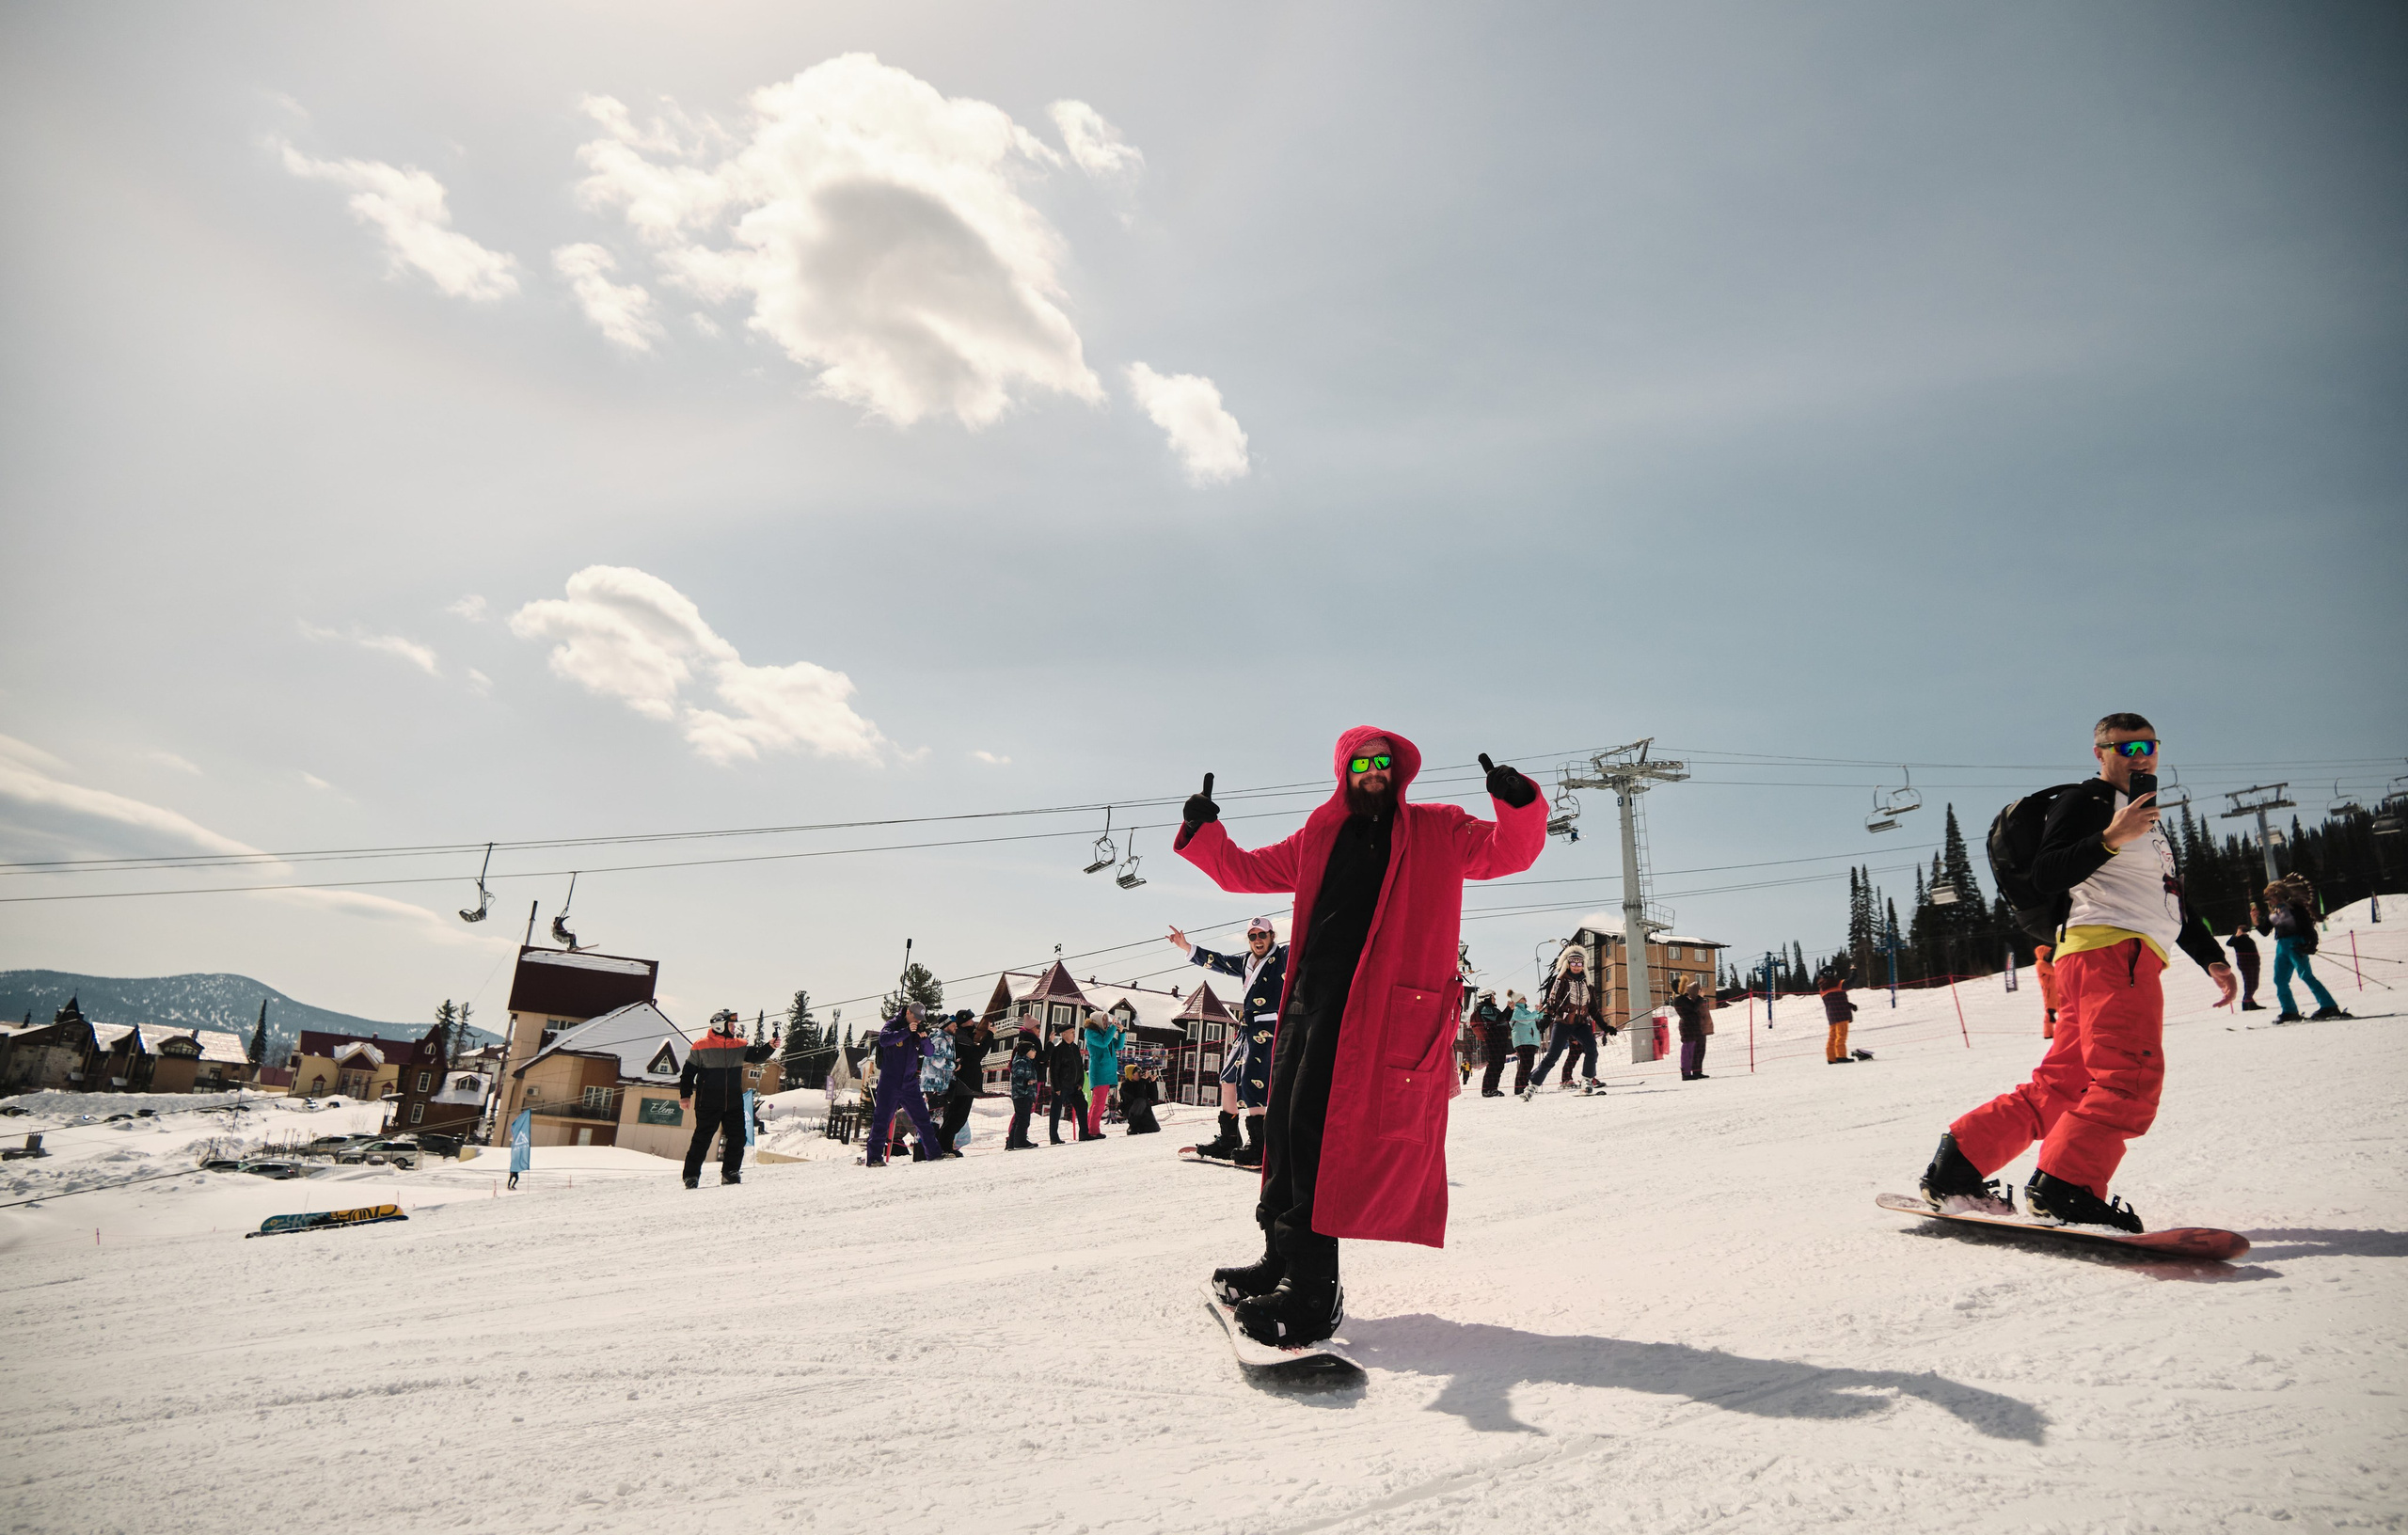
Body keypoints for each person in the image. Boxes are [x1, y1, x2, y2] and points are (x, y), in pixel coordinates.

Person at [1178, 730, 1545, 1346]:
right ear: (1344, 772)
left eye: (1383, 763)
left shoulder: (1439, 829)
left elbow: (1511, 851)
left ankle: (1313, 1293)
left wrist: (1517, 800)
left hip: (1374, 1012)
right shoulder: (1318, 835)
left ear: (1397, 772)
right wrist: (1205, 831)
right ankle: (1279, 1259)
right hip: (1306, 999)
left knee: (1319, 1138)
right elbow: (1244, 871)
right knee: (1284, 1129)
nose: (1373, 772)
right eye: (1362, 764)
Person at [1919, 714, 2237, 1231]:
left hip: (2102, 954)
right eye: (2126, 748)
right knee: (2128, 1076)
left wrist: (2210, 956)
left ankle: (1960, 1165)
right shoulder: (2087, 801)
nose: (2140, 757)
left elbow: (2167, 896)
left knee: (2066, 1080)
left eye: (2149, 746)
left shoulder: (2144, 816)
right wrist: (2110, 837)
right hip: (2113, 952)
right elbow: (2048, 873)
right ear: (2100, 753)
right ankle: (2067, 1187)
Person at [1169, 915, 1284, 1165]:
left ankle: (1260, 1145)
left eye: (1262, 935)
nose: (1257, 940)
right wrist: (1187, 947)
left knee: (1253, 1078)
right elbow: (1219, 961)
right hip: (1247, 1026)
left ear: (1271, 936)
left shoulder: (1283, 956)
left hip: (1267, 1026)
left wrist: (1304, 911)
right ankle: (1228, 1140)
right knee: (1228, 1077)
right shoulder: (1245, 961)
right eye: (1253, 936)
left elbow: (1303, 942)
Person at [678, 1008, 780, 1189]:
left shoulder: (739, 1045)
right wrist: (685, 1096)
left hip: (733, 1101)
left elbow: (756, 1056)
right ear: (719, 1026)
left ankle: (730, 1172)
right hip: (708, 1102)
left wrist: (770, 1046)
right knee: (702, 1139)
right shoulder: (701, 1046)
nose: (733, 1027)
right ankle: (691, 1176)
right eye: (731, 1024)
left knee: (738, 1137)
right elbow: (688, 1073)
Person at [2258, 878, 2348, 1021]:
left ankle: (2329, 1006)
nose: (2269, 900)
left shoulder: (2295, 908)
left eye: (2270, 896)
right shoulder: (2274, 912)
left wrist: (2311, 944)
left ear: (2278, 894)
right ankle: (2289, 1010)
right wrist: (2256, 921)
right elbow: (2264, 931)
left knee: (2306, 975)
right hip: (2281, 946)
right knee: (2279, 979)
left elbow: (2307, 926)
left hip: (2296, 943)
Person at [1522, 946, 1608, 1099]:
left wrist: (1605, 1025)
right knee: (1553, 1056)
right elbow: (1553, 1000)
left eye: (1579, 963)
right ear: (1568, 964)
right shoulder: (1561, 980)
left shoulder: (1588, 983)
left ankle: (1587, 1080)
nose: (1576, 966)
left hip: (1581, 1023)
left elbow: (1593, 1008)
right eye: (1573, 963)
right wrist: (1547, 1017)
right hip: (1563, 1022)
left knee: (1592, 1049)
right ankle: (1532, 1085)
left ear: (1583, 965)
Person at [864, 1004, 942, 1168]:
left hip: (910, 1083)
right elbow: (884, 1040)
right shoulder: (893, 1024)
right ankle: (874, 1158)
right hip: (889, 1082)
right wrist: (906, 1031)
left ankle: (934, 1154)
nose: (917, 1021)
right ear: (908, 1012)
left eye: (920, 1019)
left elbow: (929, 1052)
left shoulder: (917, 1030)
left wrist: (924, 1038)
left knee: (922, 1119)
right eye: (915, 1018)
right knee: (882, 1120)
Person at [937, 1009, 992, 1157]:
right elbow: (977, 1054)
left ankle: (944, 1146)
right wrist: (990, 1035)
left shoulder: (964, 1036)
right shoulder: (961, 1037)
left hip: (964, 1083)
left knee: (955, 1117)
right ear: (964, 1022)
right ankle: (944, 1148)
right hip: (963, 1084)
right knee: (957, 1117)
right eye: (970, 1019)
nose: (973, 1022)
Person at [1045, 1021, 1093, 1145]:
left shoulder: (1075, 1048)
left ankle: (1084, 1134)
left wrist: (1081, 1083)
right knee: (1056, 1111)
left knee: (1082, 1106)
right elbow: (1053, 1070)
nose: (1074, 1034)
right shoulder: (1058, 1050)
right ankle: (1054, 1137)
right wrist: (1056, 1087)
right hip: (1062, 1086)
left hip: (1075, 1086)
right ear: (1064, 1034)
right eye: (1071, 1032)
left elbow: (1080, 1066)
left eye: (1074, 1032)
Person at [1082, 1014, 1125, 1137]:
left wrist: (1121, 1032)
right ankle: (1093, 1131)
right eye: (1104, 1020)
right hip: (1100, 1071)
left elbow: (1119, 1046)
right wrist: (1112, 1028)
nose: (1106, 1022)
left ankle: (1090, 1129)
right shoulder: (1091, 1033)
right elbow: (1103, 1043)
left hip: (1106, 1072)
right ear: (1097, 1021)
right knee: (1098, 1104)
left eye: (1107, 1020)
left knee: (1098, 1103)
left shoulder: (1104, 1033)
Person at [1005, 1022, 1043, 1149]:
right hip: (1022, 1094)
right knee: (1023, 1119)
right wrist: (1027, 1082)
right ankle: (1020, 1141)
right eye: (1032, 1050)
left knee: (1019, 1118)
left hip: (1026, 1094)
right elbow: (1017, 1077)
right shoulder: (1021, 1061)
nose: (1035, 1052)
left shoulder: (1028, 1061)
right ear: (1027, 1051)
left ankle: (1012, 1142)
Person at [1472, 990, 1512, 1096]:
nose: (1495, 999)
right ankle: (1487, 1089)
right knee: (1494, 1063)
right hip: (1493, 1039)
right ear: (1487, 998)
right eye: (1493, 997)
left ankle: (1493, 1088)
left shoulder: (1493, 1009)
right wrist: (1508, 1008)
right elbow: (1498, 1019)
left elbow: (1505, 1019)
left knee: (1499, 1063)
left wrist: (1510, 1010)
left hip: (1500, 1038)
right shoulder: (1485, 1009)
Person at [1672, 975, 1712, 1080]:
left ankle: (1697, 1071)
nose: (1687, 987)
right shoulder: (1679, 999)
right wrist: (1700, 997)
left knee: (1698, 1049)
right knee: (1688, 1050)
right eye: (1684, 985)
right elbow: (1694, 1008)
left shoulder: (1683, 998)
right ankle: (1686, 1073)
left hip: (1694, 1026)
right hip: (1688, 1027)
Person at [1505, 989, 1543, 1094]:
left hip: (1528, 1041)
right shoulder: (1516, 1010)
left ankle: (1522, 1087)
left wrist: (1540, 1011)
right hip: (1523, 1041)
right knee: (1526, 1064)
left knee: (1527, 1064)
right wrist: (1536, 1012)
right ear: (1517, 1000)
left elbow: (1535, 1019)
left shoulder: (1524, 1011)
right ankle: (1520, 1088)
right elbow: (1525, 1021)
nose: (1525, 999)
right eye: (1523, 998)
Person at [2226, 923, 2262, 1012]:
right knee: (2249, 984)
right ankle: (2247, 1003)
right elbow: (2229, 943)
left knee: (2254, 984)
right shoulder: (2237, 940)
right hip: (2245, 964)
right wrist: (2236, 935)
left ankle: (2249, 1002)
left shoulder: (2248, 939)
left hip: (2254, 964)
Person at [1821, 980, 1858, 1065]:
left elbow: (1835, 1001)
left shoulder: (1822, 988)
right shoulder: (1838, 984)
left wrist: (1850, 1005)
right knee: (1841, 1036)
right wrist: (1854, 972)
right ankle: (1841, 1056)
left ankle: (1831, 1058)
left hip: (1831, 1016)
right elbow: (1851, 981)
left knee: (1832, 1037)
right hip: (1842, 1014)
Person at [1120, 1064, 1163, 1134]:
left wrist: (1152, 1082)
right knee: (1140, 1101)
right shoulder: (1125, 1085)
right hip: (1133, 1112)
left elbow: (1154, 1098)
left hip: (1145, 1112)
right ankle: (1133, 1127)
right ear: (1132, 1075)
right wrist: (1142, 1081)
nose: (1140, 1075)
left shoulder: (1142, 1082)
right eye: (1138, 1073)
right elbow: (1137, 1096)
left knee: (1154, 1128)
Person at [2033, 942, 2061, 1037]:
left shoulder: (2047, 963)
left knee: (2061, 1009)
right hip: (2049, 991)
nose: (2049, 955)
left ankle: (2061, 1030)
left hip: (2055, 990)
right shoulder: (2041, 963)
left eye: (2049, 953)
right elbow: (2054, 972)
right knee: (2050, 1012)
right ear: (2042, 954)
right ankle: (2048, 1033)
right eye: (2047, 954)